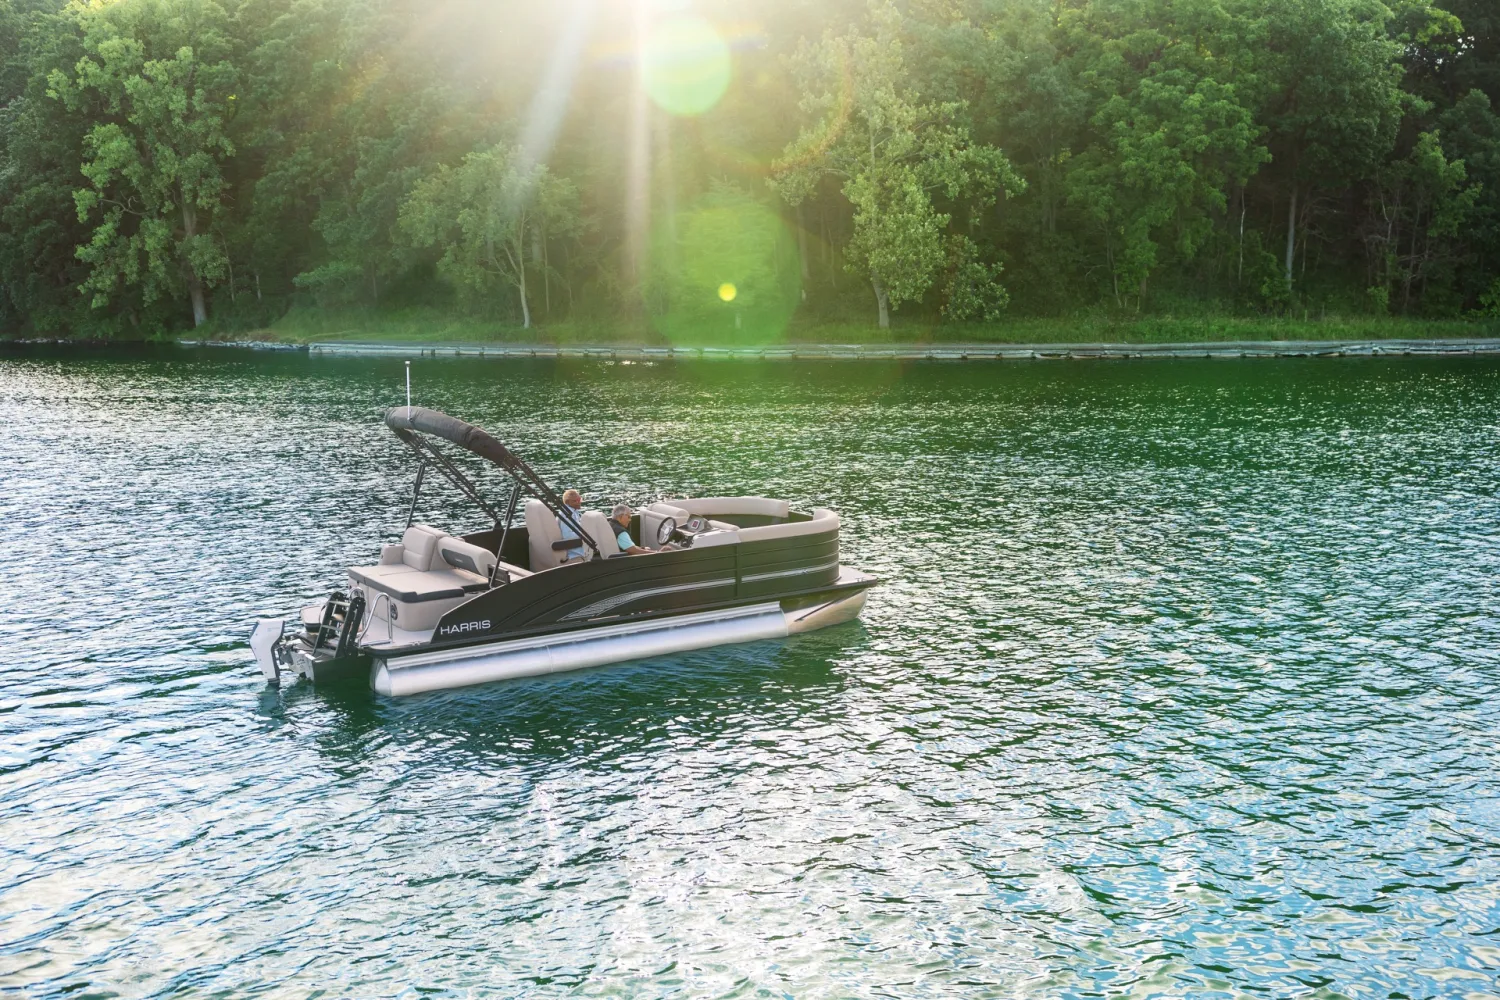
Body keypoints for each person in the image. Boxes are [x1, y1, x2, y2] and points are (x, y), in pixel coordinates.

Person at [557, 489, 586, 562]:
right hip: (575, 553)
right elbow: (568, 536)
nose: (579, 502)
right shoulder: (567, 514)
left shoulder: (574, 511)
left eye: (579, 499)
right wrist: (586, 534)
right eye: (575, 501)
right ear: (567, 502)